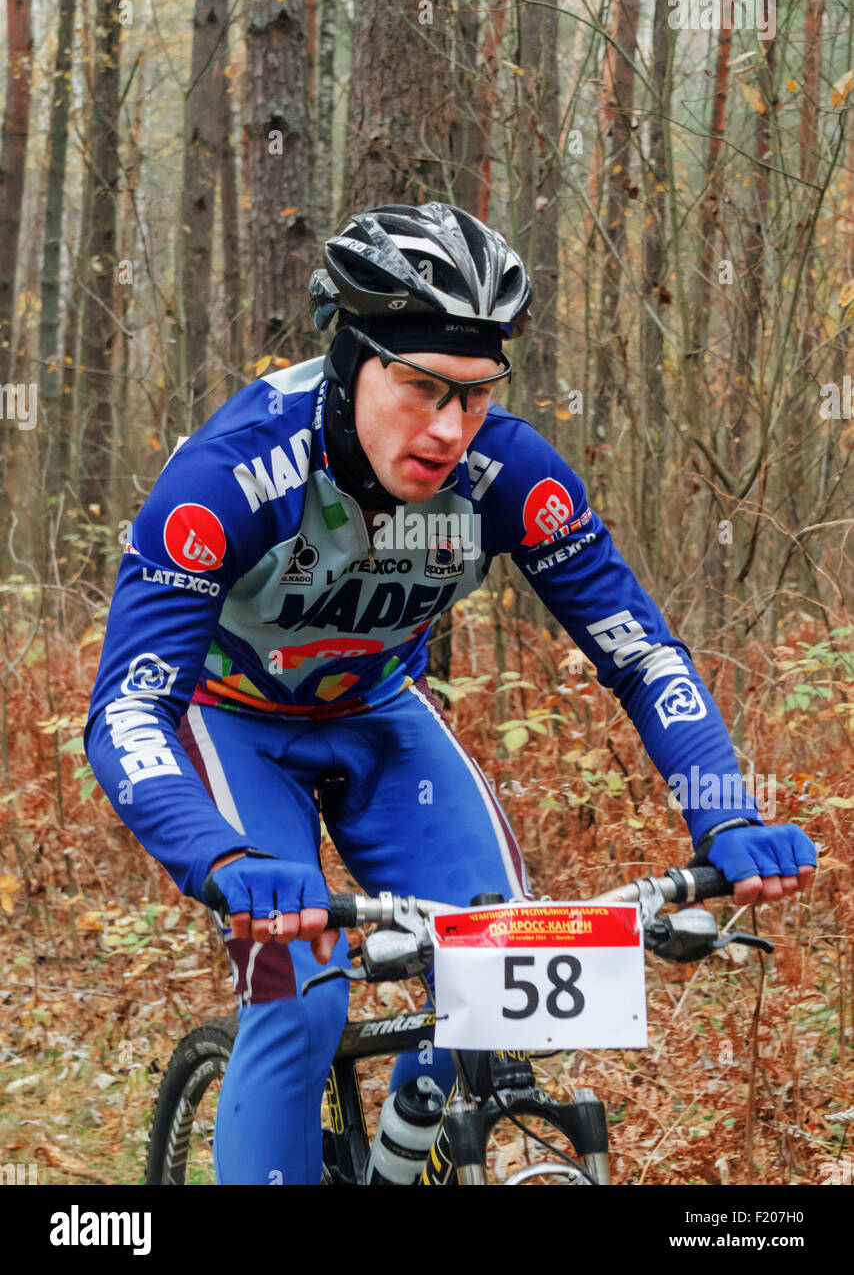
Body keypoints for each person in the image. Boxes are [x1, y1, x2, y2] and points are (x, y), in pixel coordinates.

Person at [85, 202, 816, 1185]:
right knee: (301, 1004)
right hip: (233, 724)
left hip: (381, 721)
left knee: (497, 977)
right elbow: (130, 709)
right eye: (421, 388)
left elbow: (639, 653)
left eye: (472, 396)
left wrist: (724, 812)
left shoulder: (505, 471)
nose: (445, 428)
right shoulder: (230, 478)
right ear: (350, 364)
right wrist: (217, 856)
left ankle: (408, 1153)